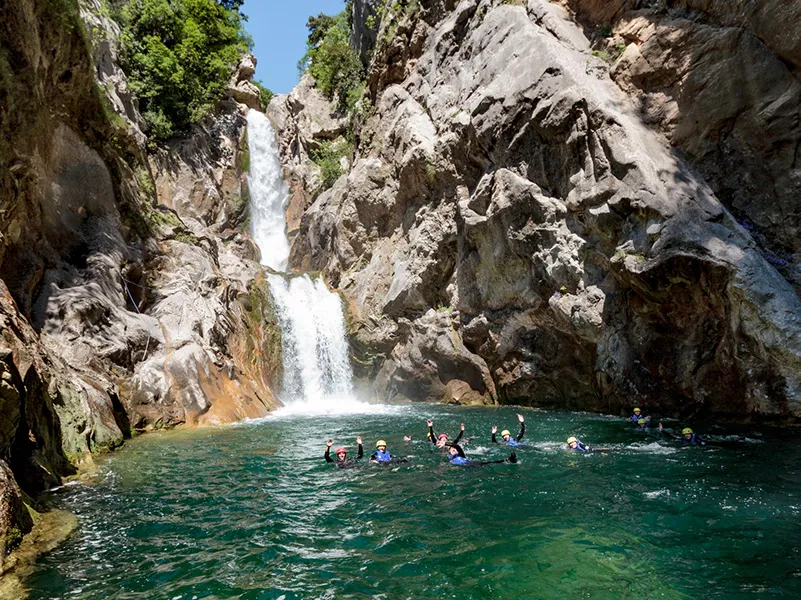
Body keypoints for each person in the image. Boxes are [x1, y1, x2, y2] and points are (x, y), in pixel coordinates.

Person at [446, 443, 517, 466]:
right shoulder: (450, 458)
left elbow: (458, 446)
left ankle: (508, 460)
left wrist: (446, 444)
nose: (453, 449)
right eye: (451, 449)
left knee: (488, 462)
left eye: (454, 448)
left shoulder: (461, 455)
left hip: (470, 464)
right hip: (465, 468)